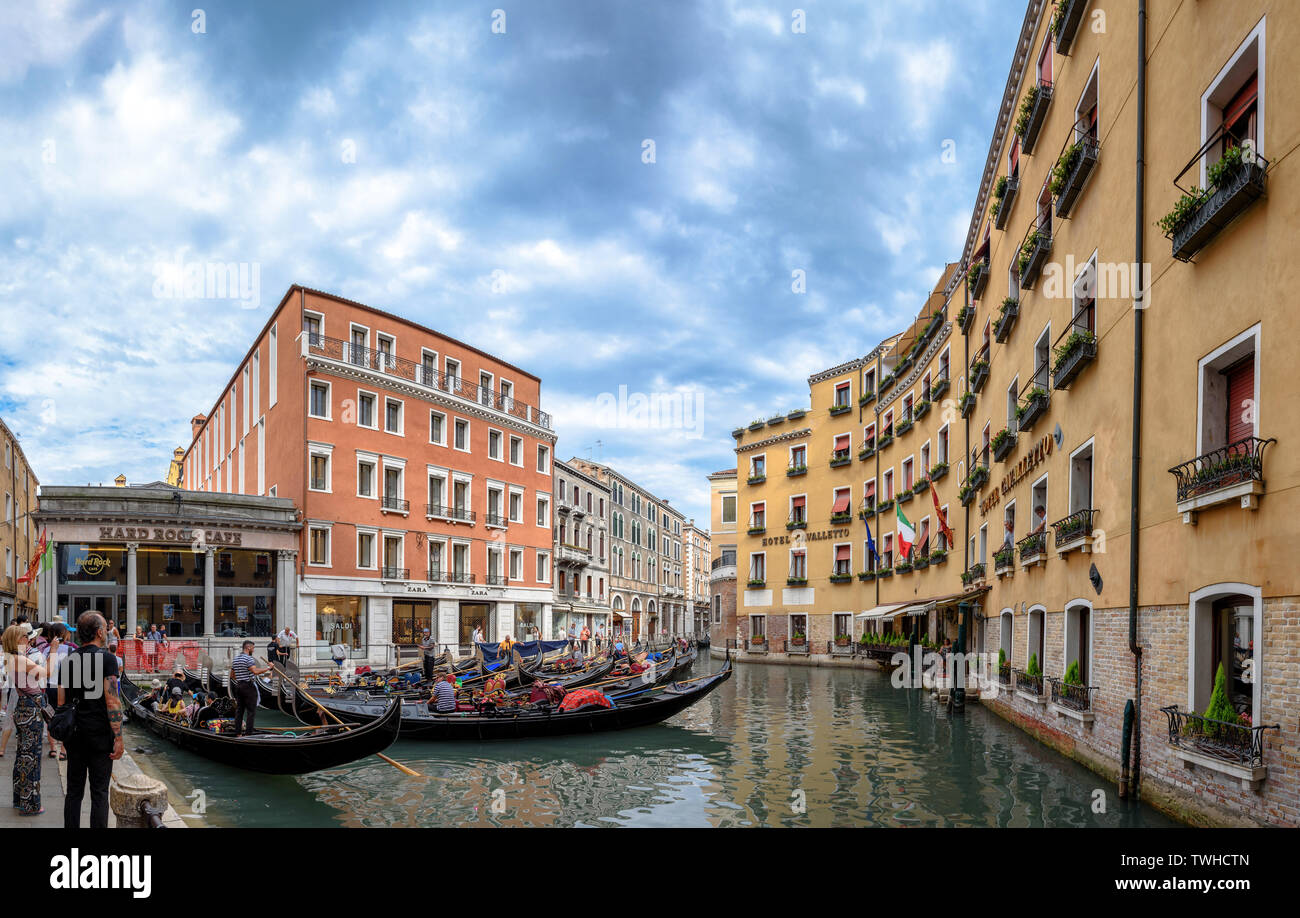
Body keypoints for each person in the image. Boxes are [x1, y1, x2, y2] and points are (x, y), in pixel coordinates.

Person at [59, 612, 123, 829]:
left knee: (74, 792)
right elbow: (112, 701)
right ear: (98, 631)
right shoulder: (107, 659)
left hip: (74, 734)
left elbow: (62, 702)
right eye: (105, 627)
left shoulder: (69, 659)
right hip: (99, 737)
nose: (106, 631)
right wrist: (119, 737)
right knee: (99, 793)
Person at [2, 623, 59, 815]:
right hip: (30, 709)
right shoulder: (19, 659)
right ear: (17, 640)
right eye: (25, 637)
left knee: (23, 756)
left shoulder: (11, 658)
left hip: (23, 707)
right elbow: (48, 673)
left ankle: (20, 799)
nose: (28, 639)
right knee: (30, 757)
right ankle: (30, 804)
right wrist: (53, 651)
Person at [230, 640, 273, 736]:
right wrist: (268, 668)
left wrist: (241, 677)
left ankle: (238, 734)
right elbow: (255, 671)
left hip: (239, 686)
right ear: (248, 647)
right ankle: (248, 735)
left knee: (239, 711)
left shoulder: (235, 659)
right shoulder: (249, 659)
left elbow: (232, 675)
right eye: (253, 648)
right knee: (251, 711)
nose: (253, 650)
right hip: (248, 687)